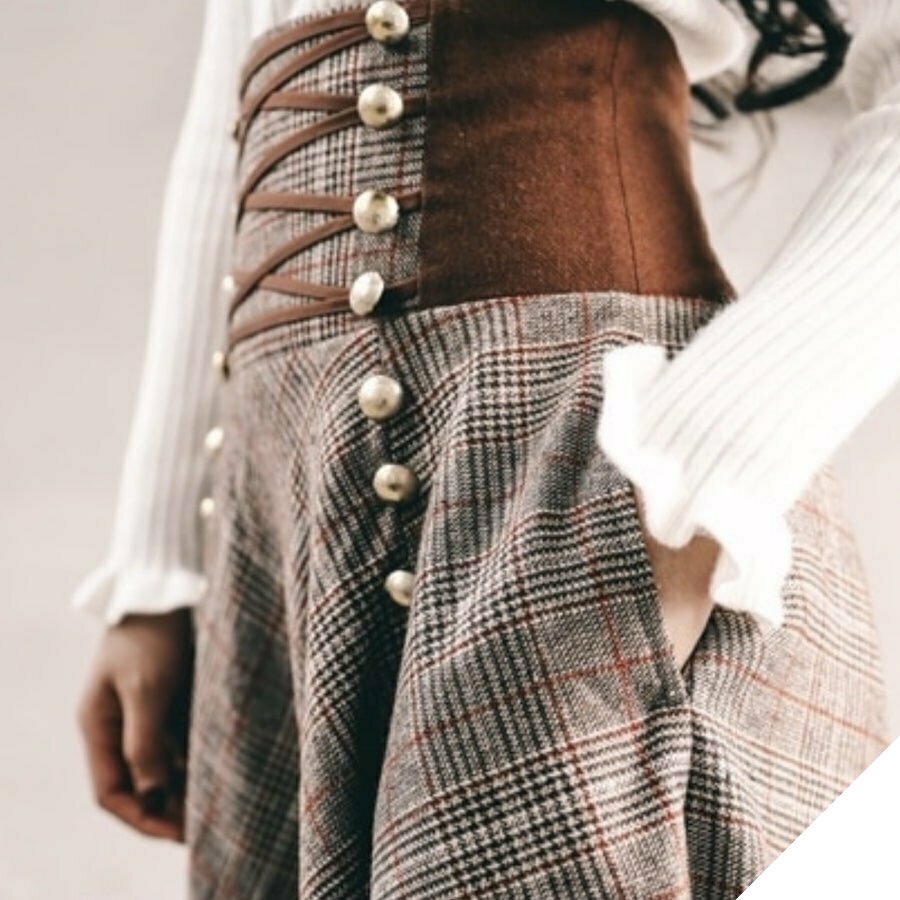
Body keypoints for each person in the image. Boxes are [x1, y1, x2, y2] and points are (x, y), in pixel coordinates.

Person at [73, 0, 897, 896]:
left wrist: (703, 476)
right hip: (287, 494)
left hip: (567, 453)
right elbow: (225, 113)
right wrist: (156, 569)